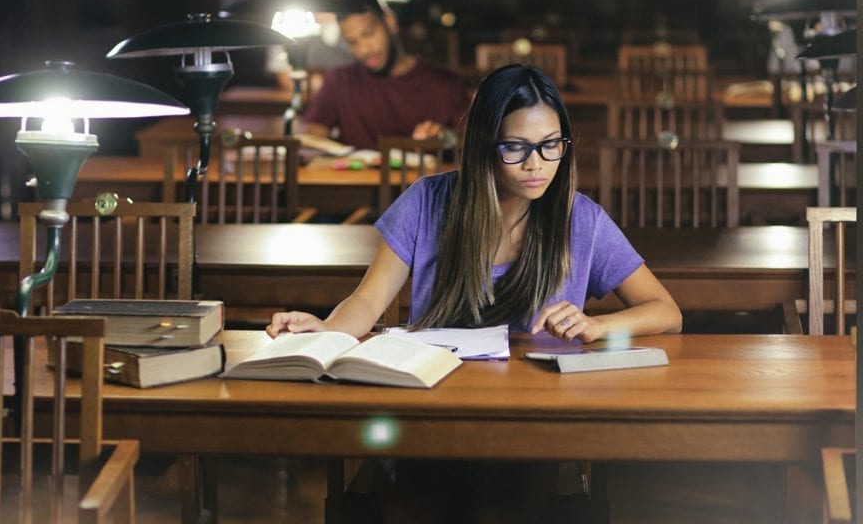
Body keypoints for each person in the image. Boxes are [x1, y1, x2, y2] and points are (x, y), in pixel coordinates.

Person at [268, 64, 683, 523]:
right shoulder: (427, 201)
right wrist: (326, 332)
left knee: (504, 503)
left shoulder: (579, 219)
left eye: (550, 146)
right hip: (429, 407)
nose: (535, 164)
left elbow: (665, 310)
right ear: (485, 144)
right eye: (515, 148)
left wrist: (598, 324)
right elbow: (368, 301)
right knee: (413, 503)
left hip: (532, 419)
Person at [298, 0, 472, 150]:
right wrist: (312, 136)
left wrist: (441, 138)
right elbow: (313, 131)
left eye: (368, 34)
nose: (363, 50)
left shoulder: (445, 82)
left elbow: (469, 141)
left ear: (390, 22)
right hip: (361, 183)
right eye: (352, 42)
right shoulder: (340, 80)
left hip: (424, 184)